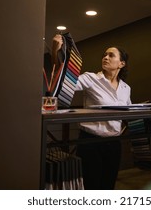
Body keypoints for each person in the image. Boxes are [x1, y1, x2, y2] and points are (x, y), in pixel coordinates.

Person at [52, 34, 131, 190]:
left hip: (114, 143)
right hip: (90, 142)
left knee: (108, 186)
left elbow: (127, 113)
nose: (105, 57)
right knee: (91, 187)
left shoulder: (126, 88)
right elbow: (63, 82)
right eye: (104, 55)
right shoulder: (90, 78)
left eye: (111, 55)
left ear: (121, 63)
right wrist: (56, 52)